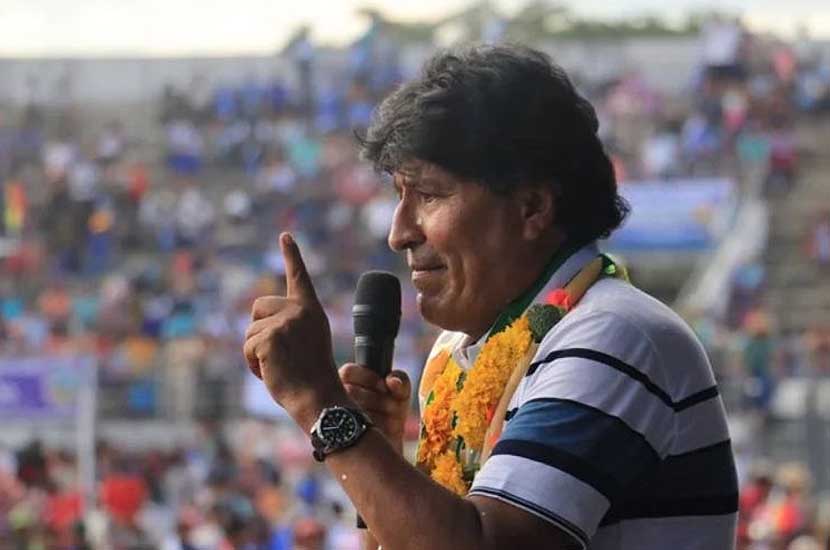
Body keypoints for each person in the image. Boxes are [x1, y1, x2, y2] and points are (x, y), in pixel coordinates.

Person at [243, 44, 738, 550]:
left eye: (429, 195)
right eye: (399, 197)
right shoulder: (456, 352)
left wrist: (320, 403)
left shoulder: (613, 335)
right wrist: (377, 450)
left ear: (532, 207)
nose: (398, 233)